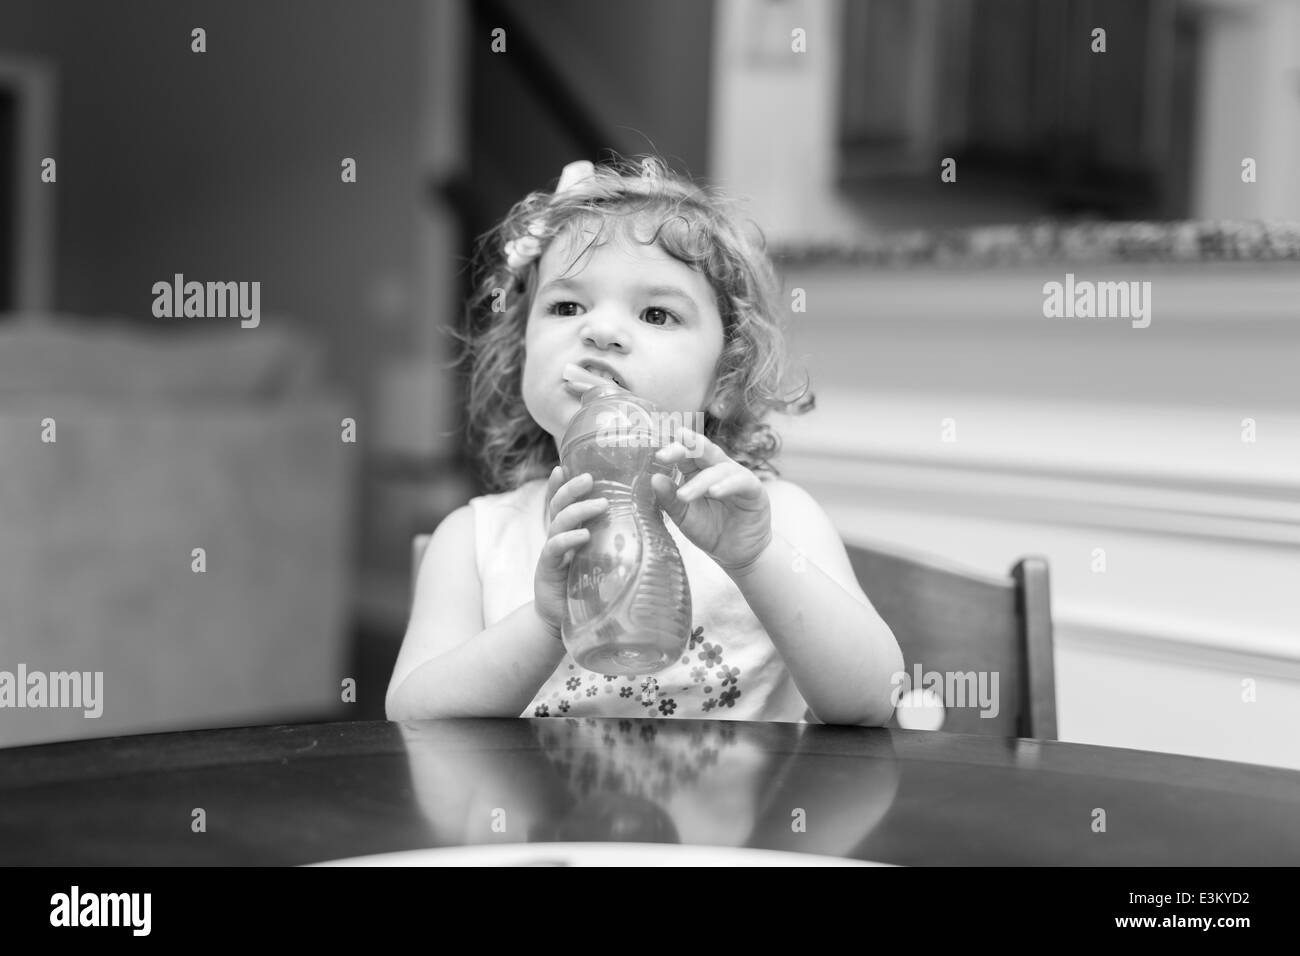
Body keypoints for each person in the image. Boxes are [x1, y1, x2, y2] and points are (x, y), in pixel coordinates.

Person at [386, 156, 902, 725]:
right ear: (521, 352)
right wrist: (542, 622)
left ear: (724, 381)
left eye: (656, 313)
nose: (601, 331)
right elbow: (413, 714)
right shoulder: (476, 541)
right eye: (566, 306)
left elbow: (876, 700)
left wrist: (756, 560)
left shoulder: (779, 521)